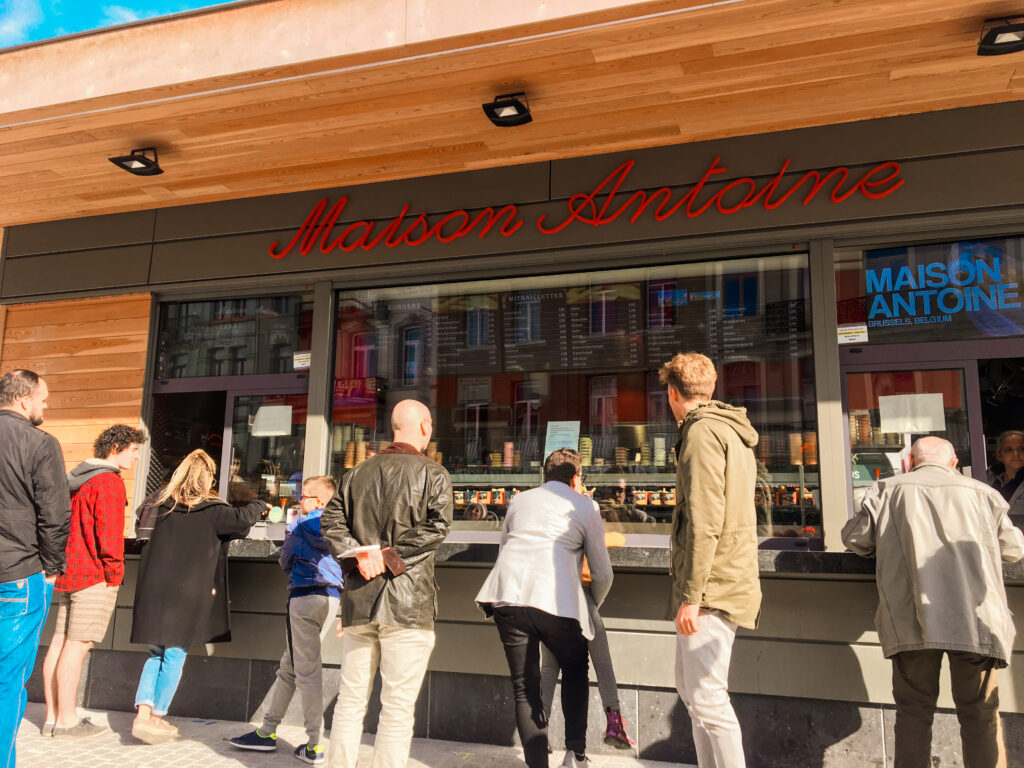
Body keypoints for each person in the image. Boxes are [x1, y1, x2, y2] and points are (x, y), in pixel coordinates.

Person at [842, 436, 1024, 768]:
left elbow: (855, 539)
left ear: (909, 462)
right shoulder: (984, 494)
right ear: (953, 463)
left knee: (914, 713)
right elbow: (1013, 550)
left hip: (912, 619)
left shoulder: (886, 491)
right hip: (975, 621)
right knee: (980, 714)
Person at [321, 399, 452, 768]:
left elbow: (330, 523)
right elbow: (438, 527)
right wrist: (387, 557)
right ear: (424, 427)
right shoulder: (434, 474)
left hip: (360, 602)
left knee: (350, 700)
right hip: (408, 606)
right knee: (396, 707)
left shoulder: (355, 474)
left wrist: (362, 555)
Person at [475, 448, 613, 768]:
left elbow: (505, 547)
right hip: (556, 599)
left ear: (544, 476)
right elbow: (603, 573)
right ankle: (575, 754)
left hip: (507, 595)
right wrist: (591, 605)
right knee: (576, 667)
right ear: (576, 478)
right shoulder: (585, 505)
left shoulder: (520, 500)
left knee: (525, 688)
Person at [660, 352, 761, 768]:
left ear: (672, 393)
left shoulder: (701, 434)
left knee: (707, 697)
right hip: (724, 578)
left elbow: (704, 520)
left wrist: (692, 595)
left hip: (713, 585)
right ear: (711, 387)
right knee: (693, 691)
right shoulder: (729, 429)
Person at [129, 449, 266, 744]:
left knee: (156, 653)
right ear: (207, 478)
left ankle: (142, 712)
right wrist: (259, 502)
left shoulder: (158, 504)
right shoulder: (211, 509)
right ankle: (156, 718)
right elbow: (241, 520)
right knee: (175, 655)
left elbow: (137, 526)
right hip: (187, 595)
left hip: (153, 590)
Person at [42, 424, 147, 738]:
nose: (137, 456)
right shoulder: (109, 482)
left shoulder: (79, 478)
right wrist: (115, 575)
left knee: (59, 644)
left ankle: (52, 717)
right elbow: (109, 536)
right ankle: (67, 721)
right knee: (77, 647)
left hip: (69, 571)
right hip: (94, 576)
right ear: (115, 449)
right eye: (133, 450)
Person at [229, 475, 343, 765]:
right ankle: (267, 731)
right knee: (290, 665)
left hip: (304, 598)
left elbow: (285, 561)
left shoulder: (300, 525)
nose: (299, 501)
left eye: (304, 496)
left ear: (319, 501)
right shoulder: (340, 526)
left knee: (306, 670)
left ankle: (315, 743)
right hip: (331, 599)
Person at [0, 370, 70, 768]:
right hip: (18, 576)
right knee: (6, 683)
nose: (46, 405)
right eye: (43, 398)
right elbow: (55, 515)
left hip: (17, 570)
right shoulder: (40, 443)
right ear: (24, 400)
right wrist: (51, 567)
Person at [990, 429, 1024, 527]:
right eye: (1009, 450)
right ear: (999, 455)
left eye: (1022, 449)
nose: (1015, 454)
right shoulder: (988, 478)